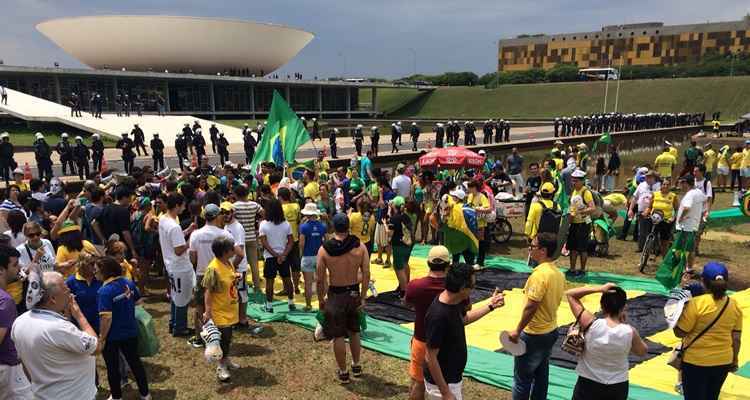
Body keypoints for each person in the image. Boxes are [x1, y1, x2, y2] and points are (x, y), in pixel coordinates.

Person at [12, 271, 99, 400]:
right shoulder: (58, 328)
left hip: (43, 394)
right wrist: (79, 315)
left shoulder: (19, 322)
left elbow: (25, 364)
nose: (69, 290)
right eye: (65, 288)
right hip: (74, 395)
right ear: (52, 299)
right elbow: (96, 347)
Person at [423, 262, 505, 400]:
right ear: (462, 288)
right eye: (472, 286)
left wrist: (491, 305)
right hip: (441, 386)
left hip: (452, 379)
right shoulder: (438, 315)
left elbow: (464, 320)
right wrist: (445, 393)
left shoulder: (454, 301)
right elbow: (430, 357)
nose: (473, 290)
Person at [566, 283, 648, 400]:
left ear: (602, 306)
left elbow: (570, 295)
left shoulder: (590, 323)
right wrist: (624, 325)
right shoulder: (629, 332)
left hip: (588, 383)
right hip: (617, 386)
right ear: (624, 307)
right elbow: (642, 351)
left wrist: (599, 288)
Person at [508, 232, 565, 400]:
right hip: (551, 330)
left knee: (522, 379)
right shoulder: (558, 273)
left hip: (534, 333)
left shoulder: (539, 275)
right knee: (541, 376)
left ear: (543, 251)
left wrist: (518, 331)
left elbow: (531, 306)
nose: (529, 250)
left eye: (532, 247)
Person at [675, 262, 743, 400]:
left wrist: (677, 308)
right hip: (723, 361)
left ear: (703, 282)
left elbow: (680, 332)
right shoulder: (734, 305)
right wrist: (734, 360)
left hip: (695, 362)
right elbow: (736, 338)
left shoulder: (696, 304)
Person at [316, 213, 370, 384]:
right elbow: (367, 273)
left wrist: (321, 299)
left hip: (336, 293)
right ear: (348, 226)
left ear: (333, 227)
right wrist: (362, 297)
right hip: (353, 292)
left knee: (338, 335)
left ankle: (343, 371)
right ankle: (356, 364)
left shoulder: (324, 249)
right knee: (354, 331)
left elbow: (320, 278)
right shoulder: (359, 246)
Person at [96, 256, 151, 400]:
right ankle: (145, 394)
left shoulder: (104, 291)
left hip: (112, 337)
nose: (95, 273)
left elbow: (106, 318)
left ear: (104, 272)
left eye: (97, 271)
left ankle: (116, 397)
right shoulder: (128, 283)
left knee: (112, 368)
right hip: (131, 332)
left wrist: (101, 338)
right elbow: (138, 301)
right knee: (135, 363)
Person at [404, 246, 451, 400]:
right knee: (446, 385)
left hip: (422, 339)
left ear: (428, 263)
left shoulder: (416, 286)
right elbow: (466, 308)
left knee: (418, 381)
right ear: (448, 264)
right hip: (446, 343)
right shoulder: (454, 288)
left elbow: (407, 303)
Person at [188, 203, 233, 347]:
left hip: (202, 274)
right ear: (217, 216)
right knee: (221, 307)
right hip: (220, 273)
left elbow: (193, 259)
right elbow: (231, 255)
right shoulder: (225, 234)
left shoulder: (196, 234)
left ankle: (199, 337)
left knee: (200, 307)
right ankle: (219, 337)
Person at [202, 236, 241, 382]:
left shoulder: (228, 263)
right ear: (225, 251)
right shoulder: (213, 268)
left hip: (229, 307)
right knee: (223, 339)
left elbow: (227, 279)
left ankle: (226, 359)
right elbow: (208, 291)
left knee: (228, 338)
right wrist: (208, 311)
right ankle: (221, 366)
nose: (234, 250)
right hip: (219, 311)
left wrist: (235, 278)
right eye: (232, 248)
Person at [158, 194, 195, 337]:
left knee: (175, 295)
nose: (184, 208)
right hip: (179, 266)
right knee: (182, 298)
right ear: (177, 206)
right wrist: (190, 242)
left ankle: (173, 323)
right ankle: (180, 327)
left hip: (170, 265)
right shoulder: (174, 227)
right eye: (183, 205)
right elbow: (179, 250)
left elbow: (172, 239)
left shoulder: (163, 219)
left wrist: (187, 231)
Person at [0, 244, 33, 399]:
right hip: (7, 370)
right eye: (14, 265)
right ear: (1, 270)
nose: (19, 267)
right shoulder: (5, 301)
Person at [259, 199, 294, 312]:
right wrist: (283, 255)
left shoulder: (263, 225)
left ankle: (269, 306)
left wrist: (275, 254)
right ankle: (291, 303)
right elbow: (290, 242)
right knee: (287, 280)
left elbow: (264, 243)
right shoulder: (286, 224)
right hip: (284, 256)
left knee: (269, 281)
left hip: (270, 257)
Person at [568, 169, 596, 276]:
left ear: (582, 181)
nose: (573, 183)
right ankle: (572, 269)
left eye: (576, 181)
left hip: (583, 224)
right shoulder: (574, 191)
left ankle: (583, 270)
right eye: (572, 180)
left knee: (582, 248)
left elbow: (592, 208)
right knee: (572, 248)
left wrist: (580, 211)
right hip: (574, 223)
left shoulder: (586, 192)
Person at [676, 175, 705, 273]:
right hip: (693, 225)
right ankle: (689, 268)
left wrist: (680, 218)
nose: (680, 186)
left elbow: (687, 207)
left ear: (686, 183)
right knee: (691, 249)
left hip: (686, 226)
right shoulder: (699, 192)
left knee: (682, 248)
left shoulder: (690, 194)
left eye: (681, 183)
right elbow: (704, 201)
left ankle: (683, 269)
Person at [299, 203, 326, 311]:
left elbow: (301, 243)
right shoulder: (322, 226)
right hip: (319, 256)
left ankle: (308, 305)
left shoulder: (304, 227)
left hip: (307, 256)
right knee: (322, 281)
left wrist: (300, 255)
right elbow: (326, 241)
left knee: (308, 283)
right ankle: (323, 302)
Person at [387, 196, 412, 297]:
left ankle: (403, 291)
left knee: (398, 267)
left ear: (394, 205)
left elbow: (389, 233)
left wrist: (385, 224)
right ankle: (406, 286)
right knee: (405, 263)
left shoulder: (394, 218)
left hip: (398, 245)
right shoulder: (406, 216)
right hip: (408, 244)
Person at [647, 178, 679, 257]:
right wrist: (646, 212)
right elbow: (649, 207)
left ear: (670, 186)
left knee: (664, 241)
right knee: (652, 236)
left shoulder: (673, 196)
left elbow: (676, 209)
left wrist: (673, 218)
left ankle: (664, 258)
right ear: (661, 185)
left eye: (668, 184)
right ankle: (652, 253)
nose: (665, 186)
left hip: (666, 220)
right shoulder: (655, 194)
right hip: (654, 219)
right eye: (664, 184)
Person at [467, 180, 491, 267]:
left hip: (480, 223)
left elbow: (489, 209)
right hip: (471, 222)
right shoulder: (469, 196)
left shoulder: (482, 196)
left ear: (475, 187)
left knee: (481, 242)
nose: (468, 189)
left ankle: (480, 262)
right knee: (472, 242)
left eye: (470, 187)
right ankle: (471, 260)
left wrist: (479, 209)